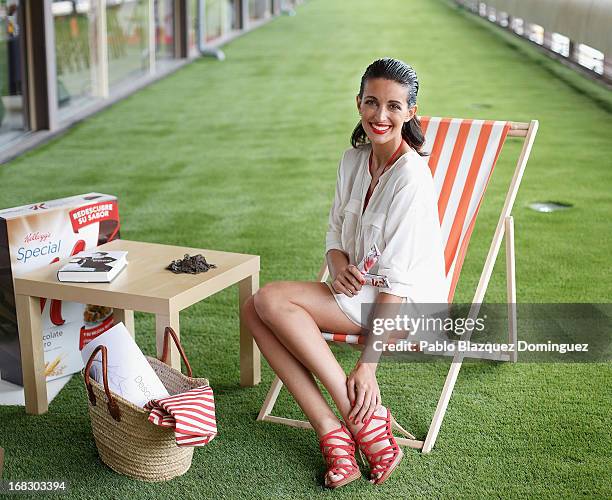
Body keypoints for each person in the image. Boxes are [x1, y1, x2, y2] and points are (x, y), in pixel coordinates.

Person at [241, 58, 447, 489]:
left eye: (394, 106)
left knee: (270, 301)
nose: (381, 116)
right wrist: (337, 265)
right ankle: (335, 431)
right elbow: (336, 230)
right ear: (358, 103)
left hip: (403, 306)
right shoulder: (353, 160)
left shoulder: (411, 179)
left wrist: (367, 367)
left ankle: (359, 422)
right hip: (357, 293)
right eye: (372, 103)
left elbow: (399, 283)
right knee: (253, 309)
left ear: (411, 112)